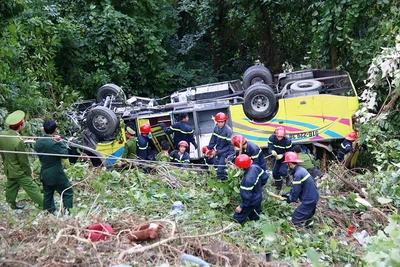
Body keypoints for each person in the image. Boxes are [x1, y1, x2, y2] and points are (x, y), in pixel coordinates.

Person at [0, 110, 43, 210]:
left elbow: (2, 153)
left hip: (9, 169)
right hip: (19, 171)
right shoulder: (18, 142)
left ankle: (10, 206)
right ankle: (47, 206)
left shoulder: (2, 135)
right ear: (20, 126)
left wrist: (5, 164)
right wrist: (29, 172)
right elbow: (23, 161)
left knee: (11, 187)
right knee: (33, 188)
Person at [35, 119, 73, 214]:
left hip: (44, 173)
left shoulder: (38, 142)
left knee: (48, 195)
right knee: (67, 192)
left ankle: (49, 213)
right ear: (55, 130)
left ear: (43, 129)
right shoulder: (53, 144)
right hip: (56, 173)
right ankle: (68, 213)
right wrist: (60, 142)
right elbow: (65, 154)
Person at [281, 152, 319, 228]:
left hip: (309, 200)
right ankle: (310, 226)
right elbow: (297, 187)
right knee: (307, 216)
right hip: (313, 197)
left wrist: (290, 199)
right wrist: (287, 193)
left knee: (295, 218)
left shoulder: (298, 174)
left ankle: (300, 230)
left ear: (290, 164)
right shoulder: (301, 170)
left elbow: (296, 191)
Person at [233, 154, 267, 224]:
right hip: (258, 195)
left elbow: (247, 197)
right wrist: (258, 188)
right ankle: (257, 223)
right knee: (255, 212)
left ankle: (236, 225)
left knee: (238, 216)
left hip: (252, 200)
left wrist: (241, 206)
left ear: (241, 167)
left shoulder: (247, 180)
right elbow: (265, 177)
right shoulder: (255, 167)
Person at [206, 112, 235, 180]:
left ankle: (222, 182)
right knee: (216, 165)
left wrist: (218, 152)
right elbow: (213, 139)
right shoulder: (216, 128)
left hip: (227, 153)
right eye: (218, 122)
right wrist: (209, 148)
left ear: (225, 121)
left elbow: (230, 146)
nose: (220, 124)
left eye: (222, 122)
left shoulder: (228, 131)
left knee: (221, 170)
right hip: (220, 150)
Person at [268, 126, 292, 191]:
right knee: (275, 173)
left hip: (284, 158)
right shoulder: (271, 138)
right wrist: (271, 151)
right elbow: (270, 147)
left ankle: (287, 177)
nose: (279, 138)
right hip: (275, 157)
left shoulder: (288, 141)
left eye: (281, 137)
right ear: (275, 135)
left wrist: (282, 155)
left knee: (282, 171)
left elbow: (289, 152)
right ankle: (278, 187)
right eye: (278, 136)